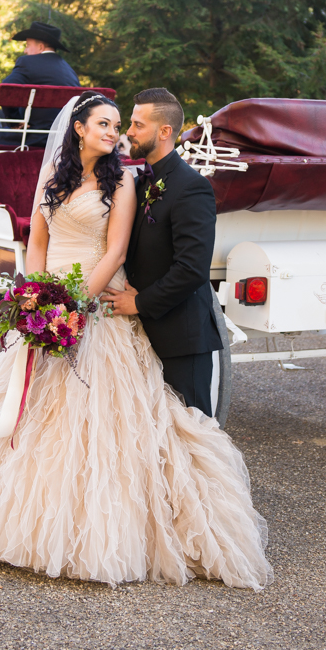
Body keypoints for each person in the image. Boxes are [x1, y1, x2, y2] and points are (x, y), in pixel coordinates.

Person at [0, 91, 271, 589]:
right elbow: (36, 241)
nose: (115, 132)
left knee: (102, 421)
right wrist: (36, 296)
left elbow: (116, 249)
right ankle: (22, 521)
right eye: (104, 124)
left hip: (93, 305)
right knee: (38, 417)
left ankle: (117, 530)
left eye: (121, 124)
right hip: (48, 299)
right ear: (78, 128)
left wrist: (75, 303)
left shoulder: (123, 180)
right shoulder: (54, 180)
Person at [103, 88, 222, 417]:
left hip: (180, 337)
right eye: (131, 123)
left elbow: (192, 268)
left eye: (138, 125)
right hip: (136, 337)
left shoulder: (192, 187)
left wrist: (138, 302)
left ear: (165, 132)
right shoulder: (136, 183)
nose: (128, 131)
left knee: (192, 438)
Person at [0, 21, 80, 147]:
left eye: (27, 45)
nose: (25, 50)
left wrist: (15, 122)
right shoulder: (70, 71)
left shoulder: (26, 62)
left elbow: (6, 90)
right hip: (64, 140)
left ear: (40, 47)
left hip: (33, 137)